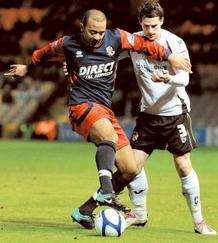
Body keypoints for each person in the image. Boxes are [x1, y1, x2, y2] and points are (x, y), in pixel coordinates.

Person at [4, 9, 191, 230]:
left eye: (101, 32)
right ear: (82, 27)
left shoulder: (116, 37)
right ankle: (106, 190)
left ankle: (84, 210)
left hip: (104, 110)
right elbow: (43, 53)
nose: (98, 37)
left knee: (130, 169)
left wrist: (169, 56)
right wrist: (28, 67)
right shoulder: (68, 43)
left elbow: (144, 44)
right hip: (81, 105)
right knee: (109, 136)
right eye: (93, 32)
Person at [123, 0, 217, 235]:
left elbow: (185, 78)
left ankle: (199, 222)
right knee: (132, 166)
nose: (151, 31)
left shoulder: (175, 43)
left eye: (155, 26)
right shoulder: (133, 41)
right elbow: (110, 56)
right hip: (148, 115)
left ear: (162, 21)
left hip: (174, 114)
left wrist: (168, 78)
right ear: (140, 23)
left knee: (183, 164)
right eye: (146, 26)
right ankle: (139, 214)